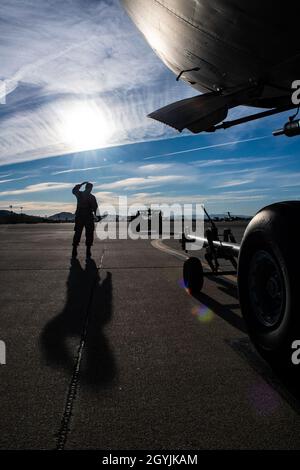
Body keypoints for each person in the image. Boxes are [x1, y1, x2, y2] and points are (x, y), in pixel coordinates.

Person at [72, 181, 98, 259]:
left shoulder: (81, 194)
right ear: (89, 188)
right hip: (84, 216)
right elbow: (95, 208)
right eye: (90, 188)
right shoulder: (83, 195)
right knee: (81, 233)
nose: (90, 189)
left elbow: (95, 208)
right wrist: (81, 184)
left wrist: (80, 185)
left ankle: (84, 249)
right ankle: (78, 249)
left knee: (84, 233)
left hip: (84, 216)